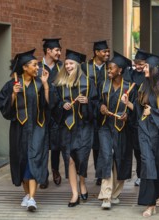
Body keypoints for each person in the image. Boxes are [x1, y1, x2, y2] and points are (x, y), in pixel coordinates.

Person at [0, 49, 54, 211]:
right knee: (21, 161)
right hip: (19, 130)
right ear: (24, 67)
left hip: (37, 128)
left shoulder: (39, 83)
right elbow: (4, 108)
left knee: (33, 160)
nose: (38, 67)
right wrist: (13, 96)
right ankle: (28, 195)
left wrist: (45, 85)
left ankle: (32, 199)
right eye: (34, 65)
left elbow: (48, 106)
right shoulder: (12, 84)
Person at [121, 54, 159, 217]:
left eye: (146, 67)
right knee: (148, 165)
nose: (143, 68)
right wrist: (128, 103)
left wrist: (153, 111)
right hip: (145, 131)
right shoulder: (143, 86)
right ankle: (150, 203)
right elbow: (139, 111)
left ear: (155, 69)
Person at [53, 49, 97, 207]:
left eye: (71, 63)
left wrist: (87, 103)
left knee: (82, 158)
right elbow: (54, 103)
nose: (68, 66)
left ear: (78, 65)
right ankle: (74, 193)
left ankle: (83, 183)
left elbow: (96, 104)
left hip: (84, 125)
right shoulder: (59, 83)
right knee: (69, 159)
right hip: (67, 126)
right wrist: (61, 105)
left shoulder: (89, 82)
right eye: (66, 64)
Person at [96, 51, 136, 209]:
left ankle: (115, 194)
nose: (108, 71)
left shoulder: (130, 88)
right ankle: (106, 196)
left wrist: (128, 115)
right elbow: (96, 101)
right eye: (107, 68)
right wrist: (101, 106)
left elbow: (136, 109)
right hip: (106, 126)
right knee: (106, 157)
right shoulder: (103, 85)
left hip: (123, 128)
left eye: (111, 68)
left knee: (121, 159)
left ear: (120, 70)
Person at [81, 40, 110, 186]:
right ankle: (83, 175)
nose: (107, 54)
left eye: (107, 51)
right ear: (96, 52)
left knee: (101, 144)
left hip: (104, 109)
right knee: (92, 143)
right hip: (89, 109)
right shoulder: (85, 67)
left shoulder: (110, 67)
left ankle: (100, 173)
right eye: (104, 51)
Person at [38, 38, 63, 189]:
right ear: (48, 50)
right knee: (41, 144)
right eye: (57, 50)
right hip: (40, 112)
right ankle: (43, 174)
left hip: (57, 113)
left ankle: (55, 169)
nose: (59, 53)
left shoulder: (61, 67)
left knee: (55, 145)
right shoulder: (37, 67)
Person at [129, 48, 151, 186]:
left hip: (145, 116)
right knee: (137, 150)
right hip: (132, 116)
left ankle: (146, 175)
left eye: (141, 64)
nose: (138, 67)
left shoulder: (149, 76)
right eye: (136, 63)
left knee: (145, 149)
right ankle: (139, 175)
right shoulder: (129, 74)